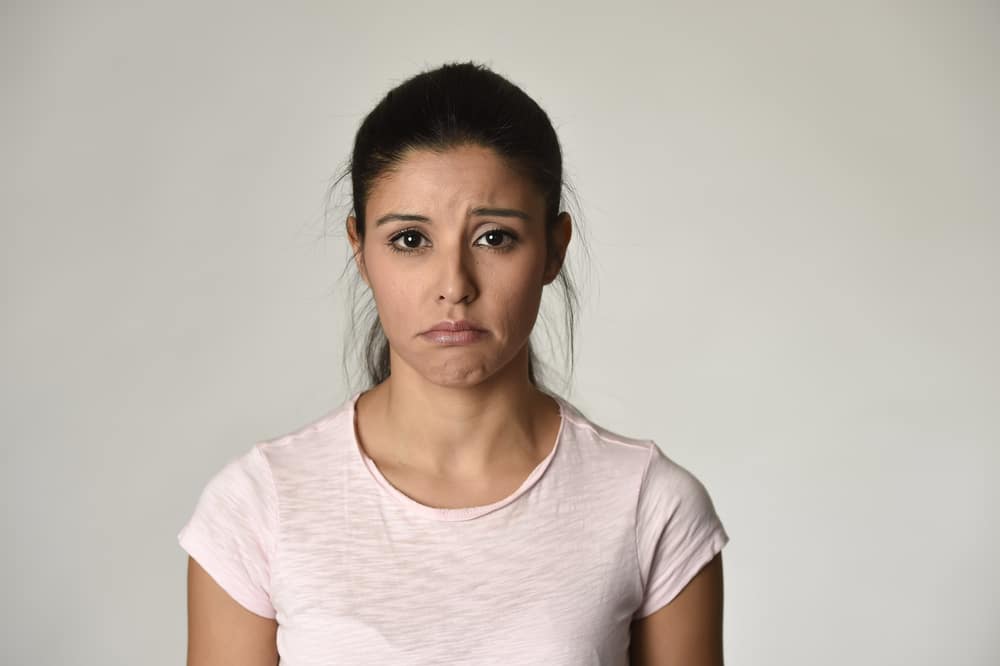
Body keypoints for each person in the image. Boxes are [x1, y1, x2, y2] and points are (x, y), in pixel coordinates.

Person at [178, 61, 730, 666]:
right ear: (360, 250)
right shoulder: (259, 507)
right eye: (410, 240)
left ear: (554, 249)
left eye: (494, 237)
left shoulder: (649, 504)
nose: (454, 285)